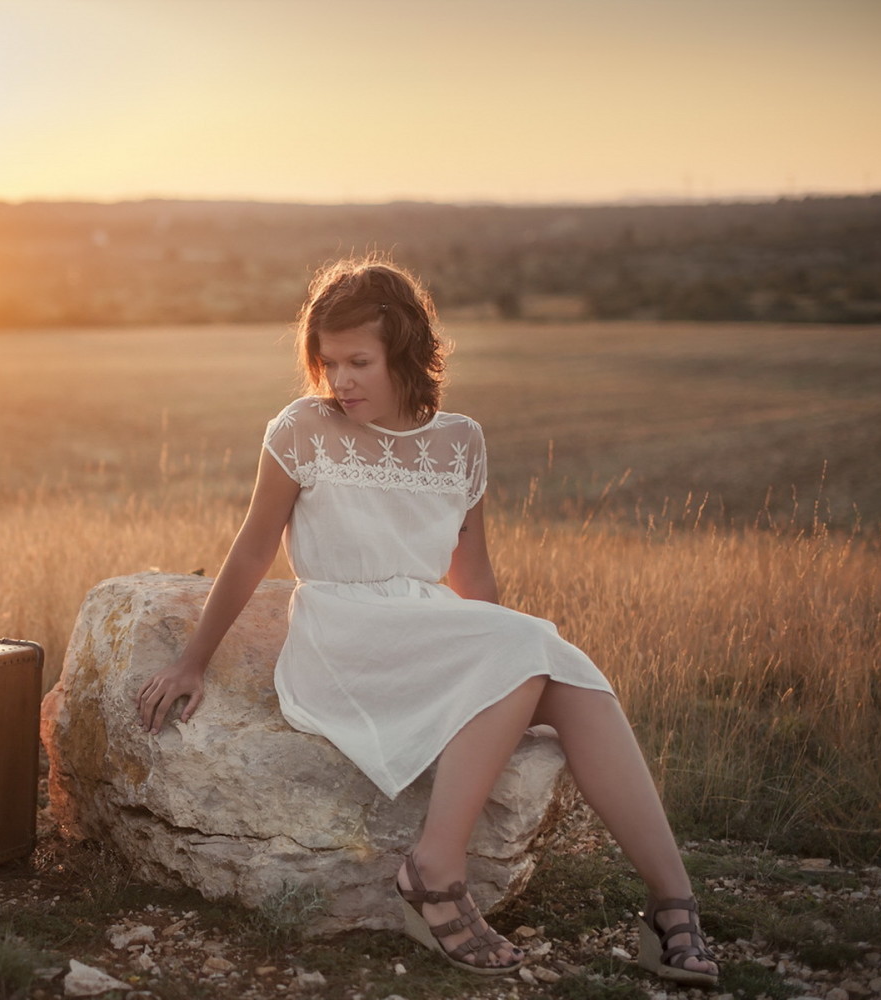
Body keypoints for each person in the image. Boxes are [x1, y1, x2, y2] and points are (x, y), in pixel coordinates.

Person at [135, 258, 719, 985]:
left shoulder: (461, 442)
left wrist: (505, 689)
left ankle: (671, 903)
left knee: (565, 674)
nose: (339, 380)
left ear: (406, 354)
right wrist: (193, 658)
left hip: (427, 628)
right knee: (534, 647)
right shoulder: (302, 429)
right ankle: (434, 870)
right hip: (345, 636)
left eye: (358, 362)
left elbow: (472, 578)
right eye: (327, 361)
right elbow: (253, 549)